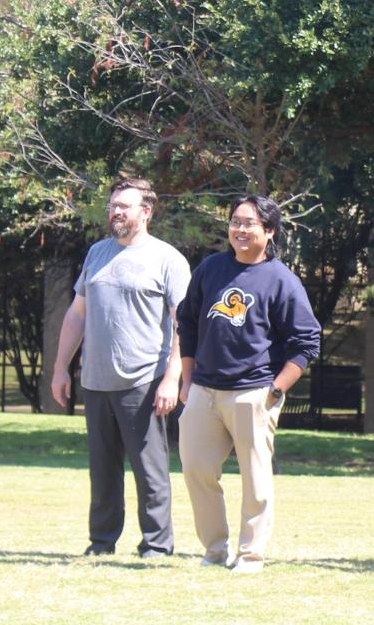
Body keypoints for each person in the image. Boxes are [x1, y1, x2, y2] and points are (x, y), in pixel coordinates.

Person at [175, 194, 321, 573]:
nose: (240, 229)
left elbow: (307, 342)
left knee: (255, 479)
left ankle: (251, 553)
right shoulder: (210, 269)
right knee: (196, 469)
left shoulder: (282, 281)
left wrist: (276, 390)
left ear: (268, 231)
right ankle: (214, 550)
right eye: (235, 221)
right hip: (204, 390)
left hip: (254, 391)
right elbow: (187, 321)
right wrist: (187, 380)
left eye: (249, 223)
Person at [51, 178, 191, 559]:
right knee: (102, 470)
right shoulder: (97, 253)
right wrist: (61, 367)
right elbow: (77, 314)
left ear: (146, 212)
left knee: (150, 470)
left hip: (143, 381)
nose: (115, 212)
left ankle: (157, 545)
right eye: (113, 205)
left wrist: (172, 377)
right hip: (96, 382)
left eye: (123, 206)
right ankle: (101, 542)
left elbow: (184, 324)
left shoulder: (167, 259)